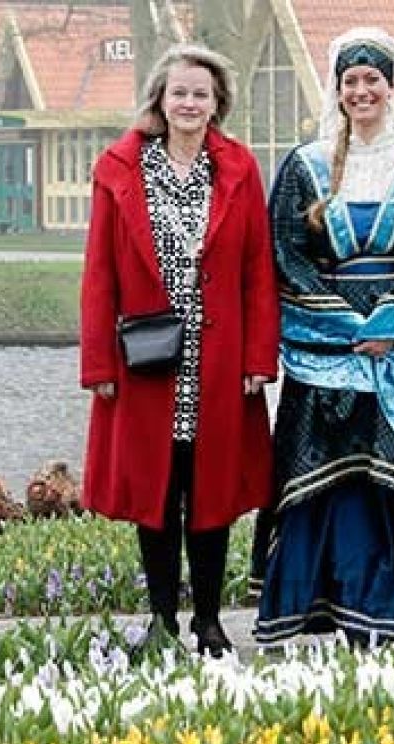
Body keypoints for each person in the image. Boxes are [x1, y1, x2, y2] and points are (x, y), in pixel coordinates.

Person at [250, 28, 394, 648]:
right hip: (324, 353)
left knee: (386, 480)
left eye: (372, 79)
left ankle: (385, 614)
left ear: (390, 88)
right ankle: (316, 605)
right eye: (351, 81)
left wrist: (390, 332)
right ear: (338, 91)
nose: (362, 90)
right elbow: (285, 257)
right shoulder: (304, 167)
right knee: (326, 482)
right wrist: (346, 327)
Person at [79, 44, 280, 657]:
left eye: (201, 94)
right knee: (157, 493)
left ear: (217, 103)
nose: (190, 103)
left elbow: (256, 272)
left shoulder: (239, 168)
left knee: (212, 491)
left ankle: (210, 620)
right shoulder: (120, 168)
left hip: (217, 360)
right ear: (160, 101)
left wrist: (256, 361)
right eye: (179, 93)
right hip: (145, 359)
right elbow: (99, 274)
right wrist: (98, 365)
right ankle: (164, 618)